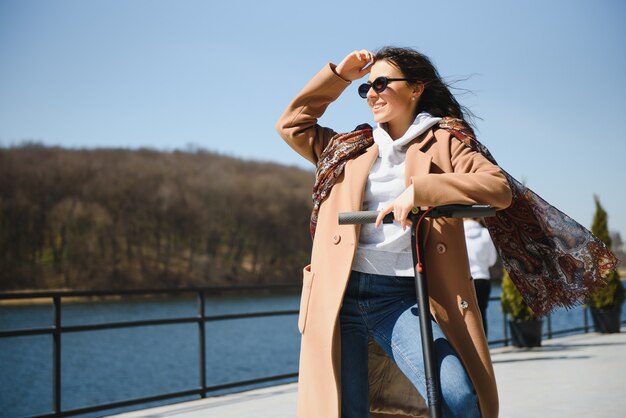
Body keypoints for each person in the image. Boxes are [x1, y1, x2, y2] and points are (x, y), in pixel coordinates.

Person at [276, 47, 512, 418]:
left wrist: (421, 191)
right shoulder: (347, 147)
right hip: (339, 298)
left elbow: (498, 188)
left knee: (459, 397)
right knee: (347, 409)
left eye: (382, 84)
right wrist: (340, 75)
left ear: (416, 88)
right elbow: (292, 124)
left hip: (403, 297)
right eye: (366, 87)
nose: (371, 93)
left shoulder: (445, 141)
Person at [464, 218, 498, 337]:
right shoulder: (486, 234)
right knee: (481, 313)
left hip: (465, 280)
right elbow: (492, 260)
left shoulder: (458, 234)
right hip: (483, 278)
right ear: (478, 217)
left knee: (466, 314)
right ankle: (484, 348)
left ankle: (469, 348)